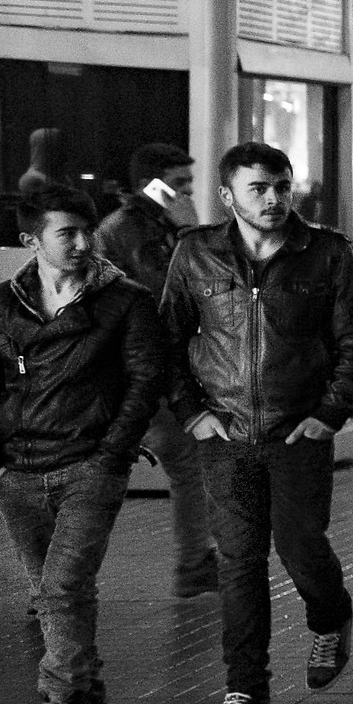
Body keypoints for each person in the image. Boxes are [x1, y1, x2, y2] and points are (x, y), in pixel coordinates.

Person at [163, 142, 353, 704]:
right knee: (238, 563)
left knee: (301, 546)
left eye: (282, 186)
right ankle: (246, 692)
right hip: (224, 434)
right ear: (227, 196)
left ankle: (330, 616)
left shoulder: (327, 252)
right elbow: (168, 340)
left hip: (297, 431)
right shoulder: (195, 253)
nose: (274, 199)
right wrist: (191, 413)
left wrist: (330, 415)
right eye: (258, 188)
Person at [0, 186, 165, 704]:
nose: (82, 243)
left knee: (61, 587)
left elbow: (145, 381)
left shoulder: (124, 301)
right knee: (51, 592)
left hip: (89, 467)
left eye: (86, 231)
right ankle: (89, 698)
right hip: (16, 472)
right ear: (31, 241)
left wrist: (111, 456)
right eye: (66, 233)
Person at [95, 141, 218, 596]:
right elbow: (159, 290)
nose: (187, 191)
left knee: (187, 463)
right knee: (177, 464)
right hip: (142, 368)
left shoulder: (166, 226)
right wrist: (189, 233)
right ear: (151, 184)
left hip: (168, 365)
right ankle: (193, 563)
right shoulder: (123, 231)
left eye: (189, 182)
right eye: (178, 183)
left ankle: (196, 561)